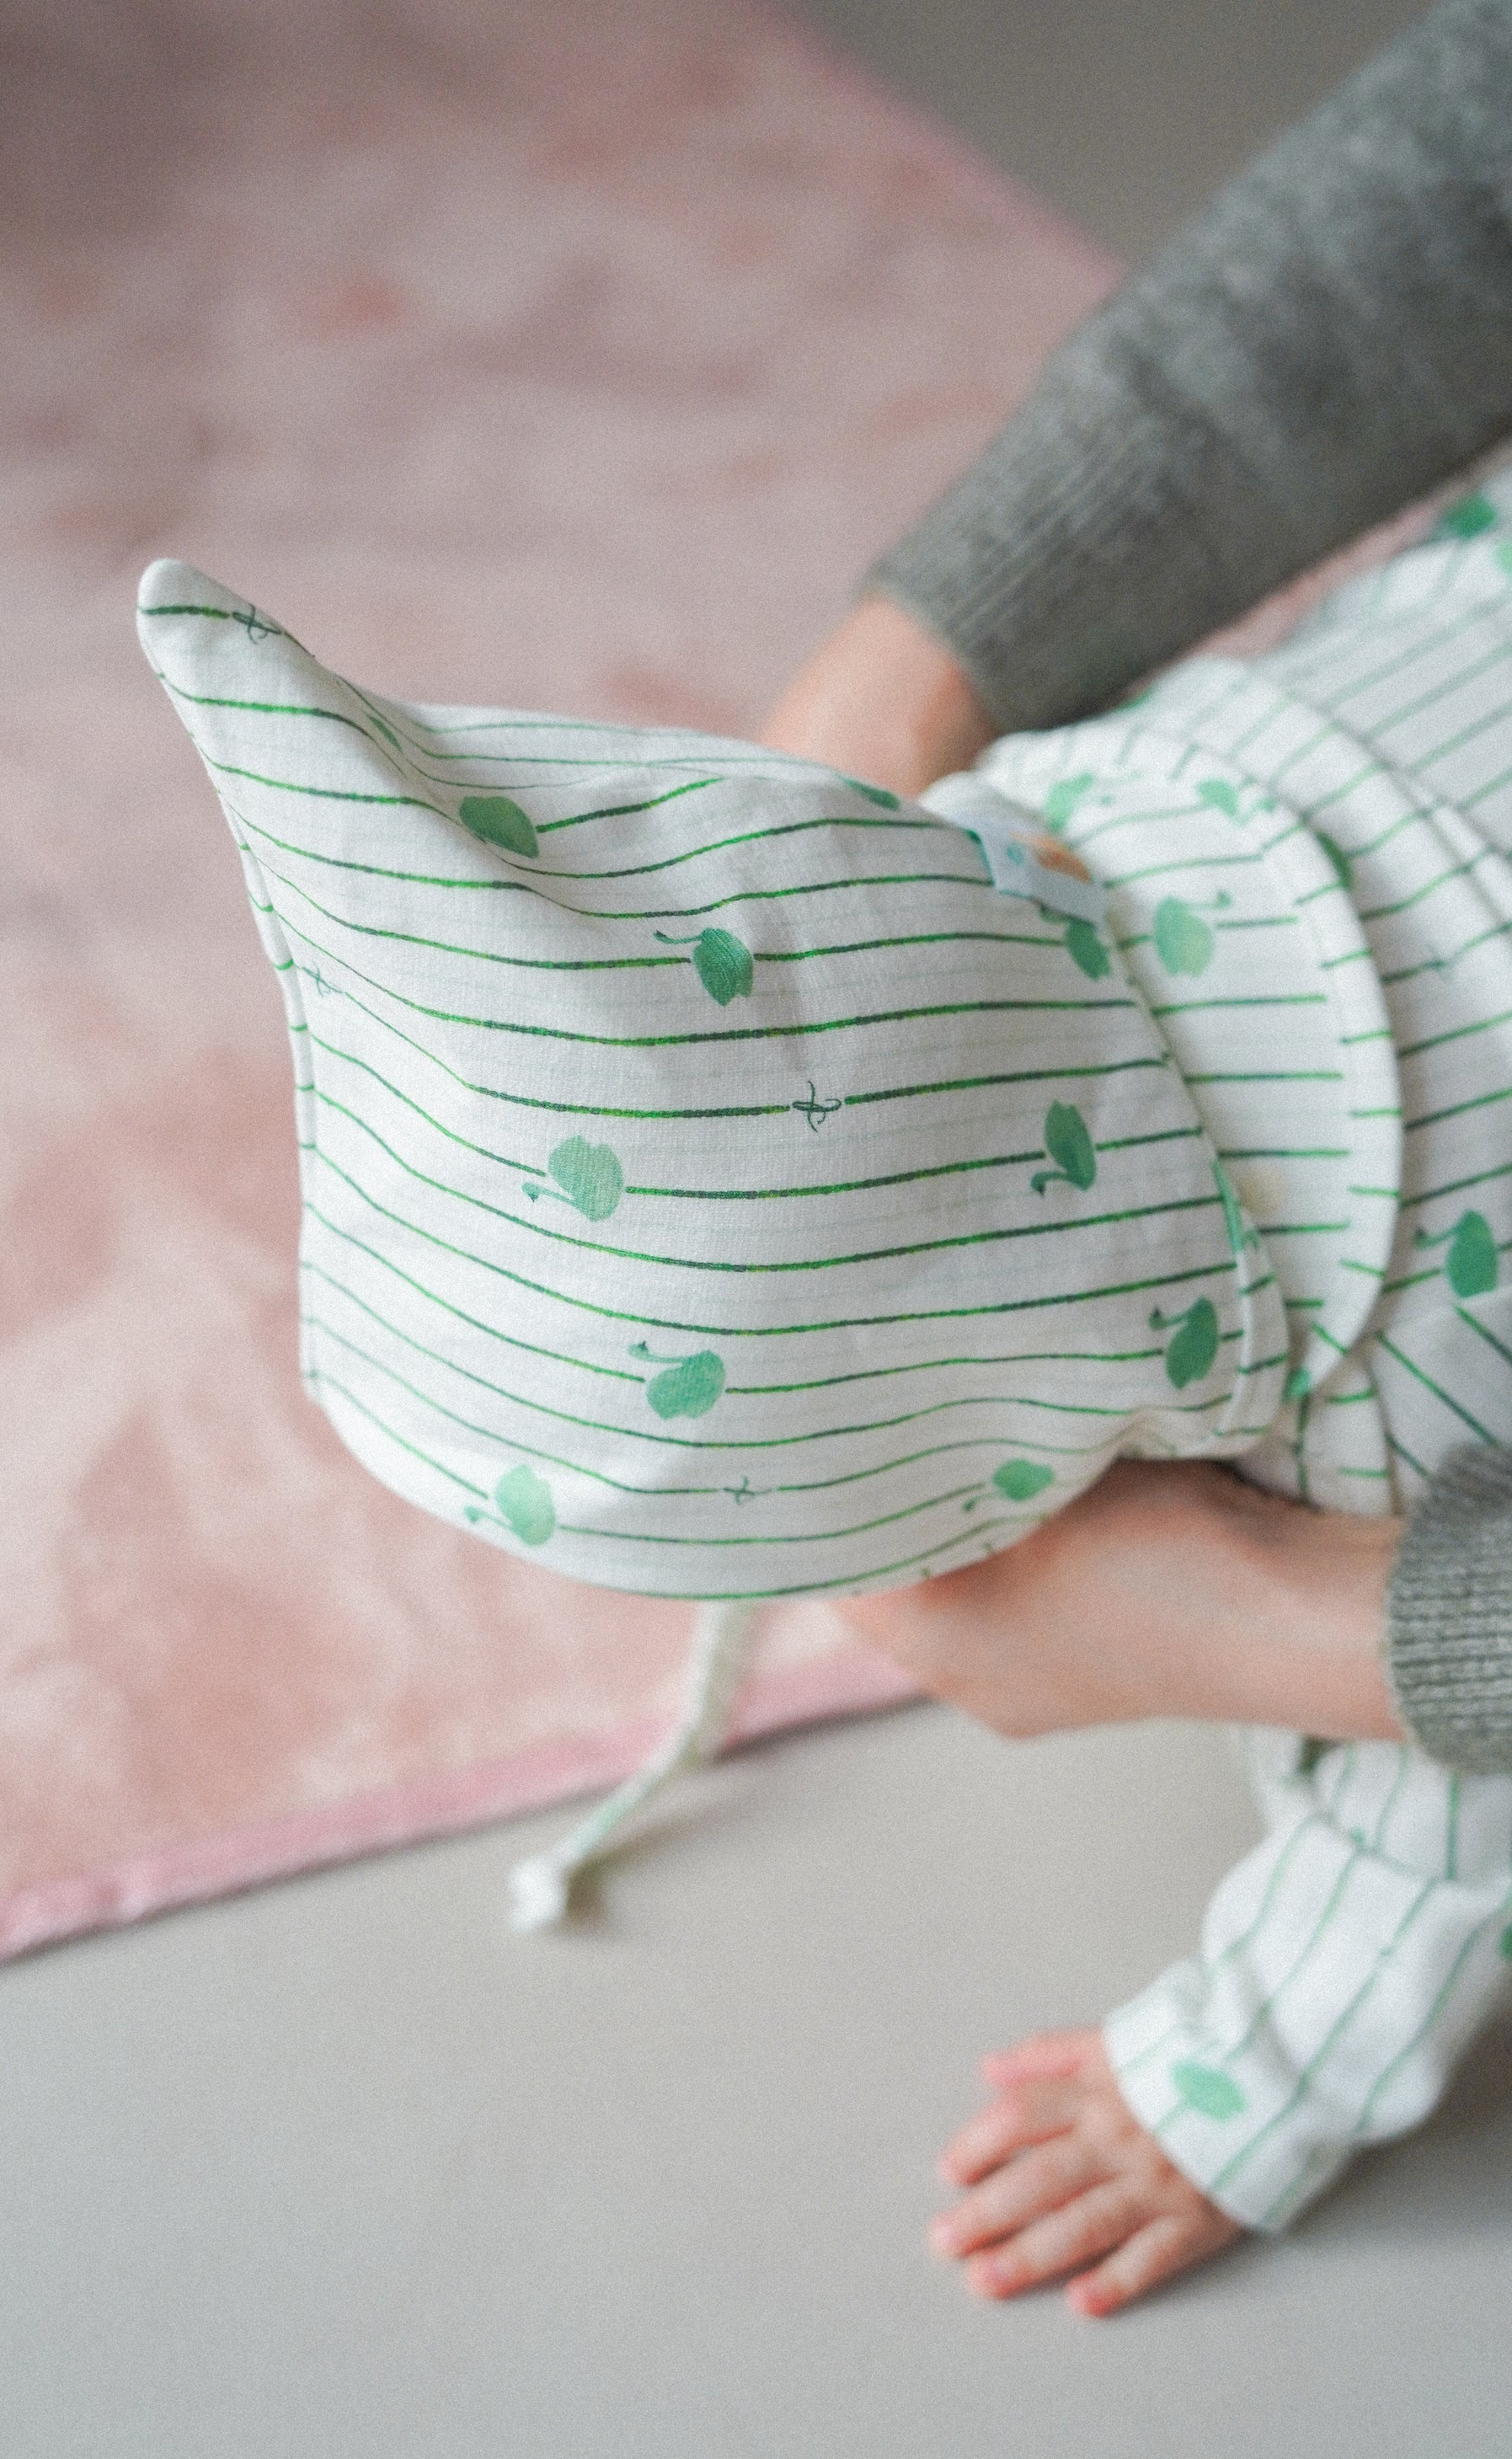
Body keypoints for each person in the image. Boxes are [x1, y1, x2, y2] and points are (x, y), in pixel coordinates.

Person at [761, 0, 1512, 2316]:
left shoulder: (1379, 1409)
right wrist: (890, 699)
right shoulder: (1087, 805)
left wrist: (1326, 1638)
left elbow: (1435, 1819)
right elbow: (1470, 169)